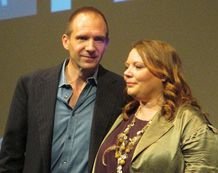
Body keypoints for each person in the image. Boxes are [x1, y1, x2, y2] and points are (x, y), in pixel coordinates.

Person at [0, 7, 127, 173]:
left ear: (107, 43)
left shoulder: (121, 90)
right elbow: (11, 156)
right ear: (66, 41)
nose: (90, 47)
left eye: (98, 39)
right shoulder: (31, 85)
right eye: (82, 38)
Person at [93, 40, 218, 173]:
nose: (127, 73)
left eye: (138, 66)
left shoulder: (187, 120)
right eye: (127, 66)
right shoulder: (126, 116)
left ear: (162, 73)